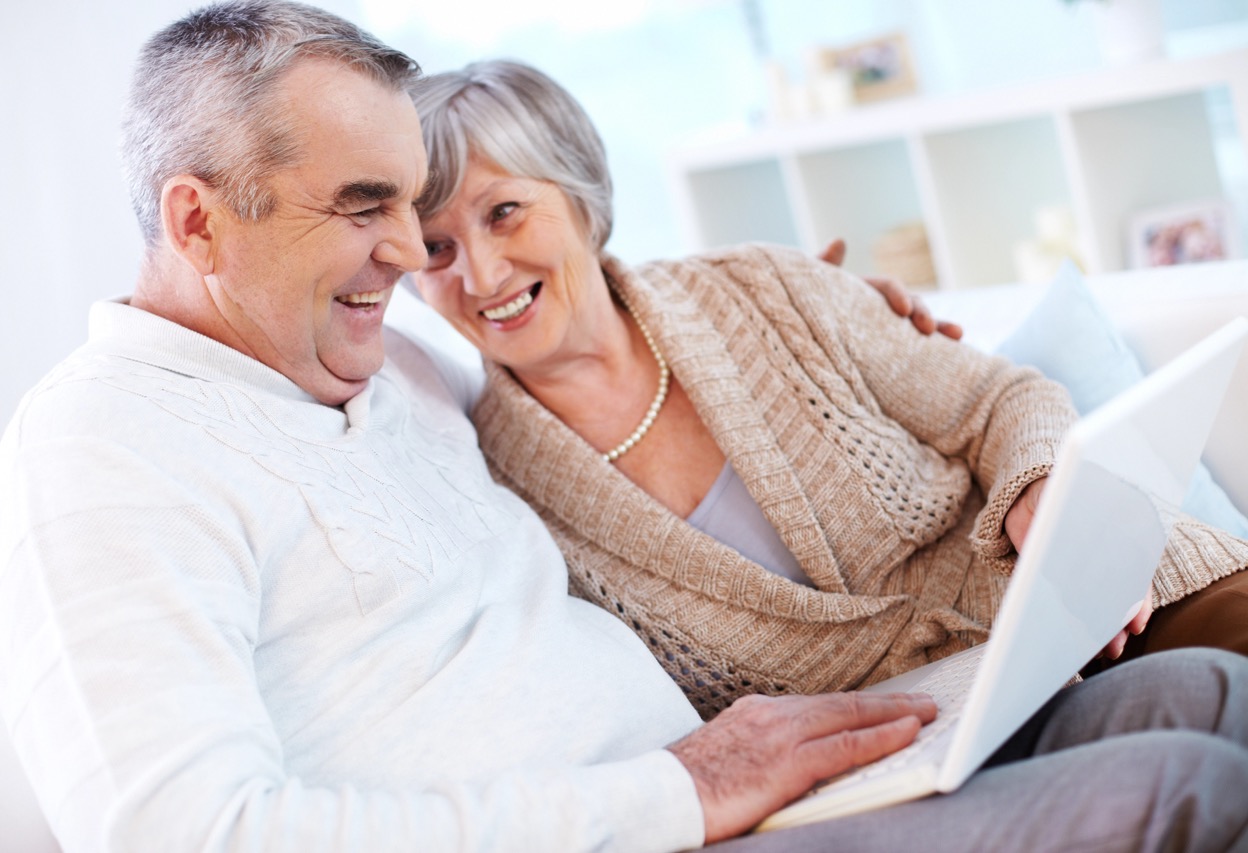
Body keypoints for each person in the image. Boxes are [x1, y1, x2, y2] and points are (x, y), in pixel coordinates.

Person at [0, 4, 1248, 852]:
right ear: (197, 222)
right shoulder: (95, 461)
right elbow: (184, 833)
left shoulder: (395, 367)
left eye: (419, 207)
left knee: (1205, 690)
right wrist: (676, 788)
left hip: (745, 783)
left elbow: (605, 343)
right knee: (1179, 787)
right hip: (673, 819)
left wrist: (820, 303)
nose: (418, 255)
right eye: (368, 207)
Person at [408, 60, 1248, 717]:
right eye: (436, 248)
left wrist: (1045, 490)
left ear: (582, 199)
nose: (480, 271)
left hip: (1089, 596)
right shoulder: (498, 491)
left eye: (504, 212)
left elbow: (999, 400)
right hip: (932, 737)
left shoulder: (762, 287)